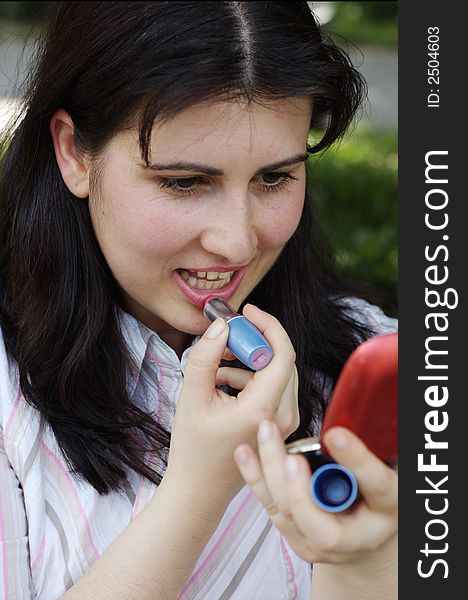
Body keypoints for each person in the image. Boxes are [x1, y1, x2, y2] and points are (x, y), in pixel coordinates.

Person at [0, 2, 397, 598]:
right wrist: (197, 490)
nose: (236, 241)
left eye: (275, 178)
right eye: (184, 182)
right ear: (74, 153)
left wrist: (361, 562)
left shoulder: (371, 360)